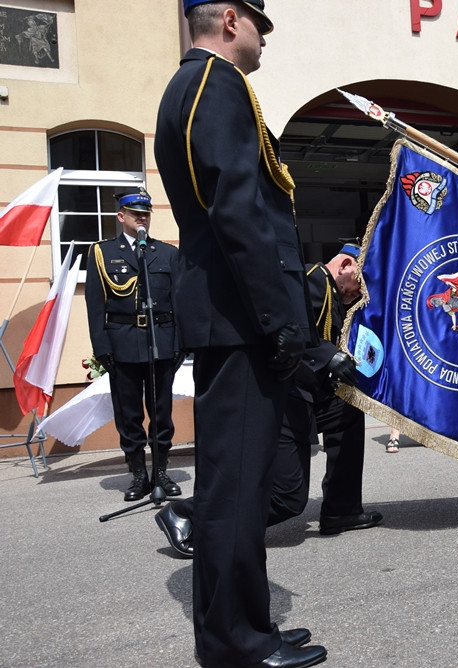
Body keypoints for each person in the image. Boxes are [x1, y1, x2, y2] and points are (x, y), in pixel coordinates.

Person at [153, 2, 326, 666]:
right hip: (240, 320)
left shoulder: (202, 85)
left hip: (235, 316)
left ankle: (246, 627)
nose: (265, 38)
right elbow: (238, 215)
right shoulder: (213, 83)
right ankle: (234, 645)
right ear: (229, 18)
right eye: (261, 23)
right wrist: (281, 323)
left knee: (245, 486)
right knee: (233, 489)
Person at [156, 243, 379, 551]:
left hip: (308, 394)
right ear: (345, 265)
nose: (359, 294)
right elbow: (284, 329)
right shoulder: (312, 280)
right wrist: (327, 355)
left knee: (348, 411)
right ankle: (186, 514)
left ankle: (342, 509)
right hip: (285, 399)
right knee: (288, 498)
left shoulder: (330, 291)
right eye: (360, 284)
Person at [84, 187, 183, 502]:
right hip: (123, 343)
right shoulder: (102, 252)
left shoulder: (167, 254)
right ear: (121, 216)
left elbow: (180, 302)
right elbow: (95, 304)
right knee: (128, 414)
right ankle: (139, 475)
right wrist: (102, 348)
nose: (142, 217)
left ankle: (161, 473)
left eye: (146, 213)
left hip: (161, 343)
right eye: (135, 212)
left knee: (161, 412)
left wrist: (181, 343)